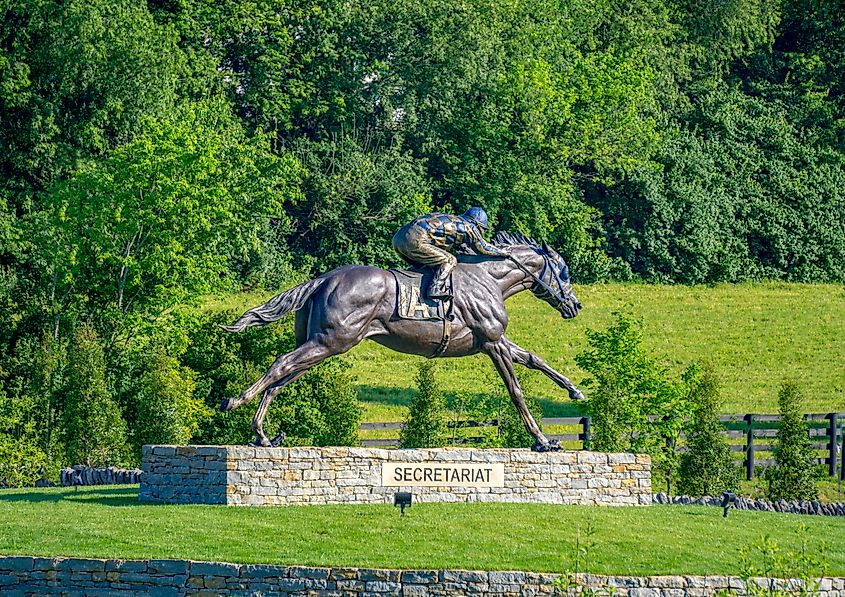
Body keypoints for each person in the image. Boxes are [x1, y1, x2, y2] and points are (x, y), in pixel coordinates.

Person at [392, 207, 511, 300]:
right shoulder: (470, 227)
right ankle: (435, 289)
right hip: (415, 239)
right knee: (450, 260)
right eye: (483, 230)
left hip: (398, 238)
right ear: (478, 224)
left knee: (425, 266)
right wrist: (501, 252)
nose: (481, 233)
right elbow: (483, 248)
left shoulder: (455, 220)